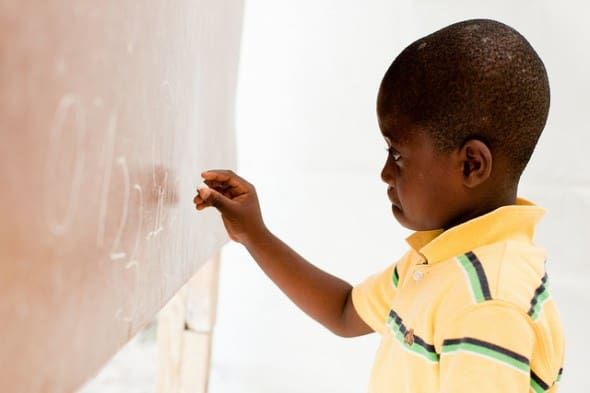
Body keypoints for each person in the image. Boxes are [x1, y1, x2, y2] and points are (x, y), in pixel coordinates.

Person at [193, 18, 565, 392]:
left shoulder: (489, 303)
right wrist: (255, 234)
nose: (386, 173)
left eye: (397, 154)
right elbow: (343, 312)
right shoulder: (444, 258)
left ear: (471, 164)